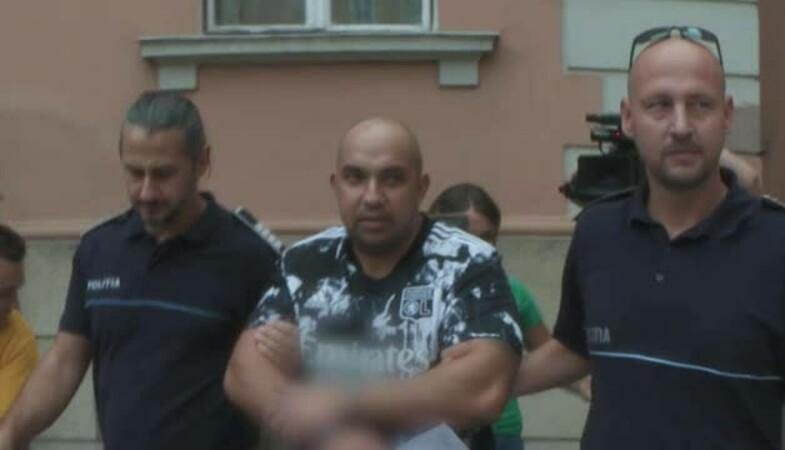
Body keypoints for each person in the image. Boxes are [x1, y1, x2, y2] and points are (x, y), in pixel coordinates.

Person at [515, 26, 785, 449]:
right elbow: (578, 348)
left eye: (700, 104)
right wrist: (470, 389)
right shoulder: (597, 232)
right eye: (660, 105)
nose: (681, 126)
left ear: (727, 115)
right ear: (629, 118)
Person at [0, 92, 281, 450]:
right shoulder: (98, 249)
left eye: (163, 174)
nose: (147, 192)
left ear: (202, 162)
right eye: (134, 172)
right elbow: (64, 361)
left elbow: (277, 383)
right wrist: (11, 433)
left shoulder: (251, 257)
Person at [224, 117, 523, 450]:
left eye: (392, 179)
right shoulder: (305, 261)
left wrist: (340, 399)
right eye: (355, 178)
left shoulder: (467, 261)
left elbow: (483, 386)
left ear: (421, 187)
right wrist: (330, 434)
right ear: (336, 185)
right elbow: (244, 368)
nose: (372, 196)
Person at [428, 183, 589, 450]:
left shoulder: (511, 291)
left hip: (502, 432)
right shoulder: (419, 294)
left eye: (487, 237)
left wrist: (583, 383)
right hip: (437, 431)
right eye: (465, 236)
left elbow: (550, 353)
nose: (477, 247)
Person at [0, 225, 37, 417]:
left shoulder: (19, 339)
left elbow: (5, 427)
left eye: (16, 290)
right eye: (4, 293)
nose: (14, 305)